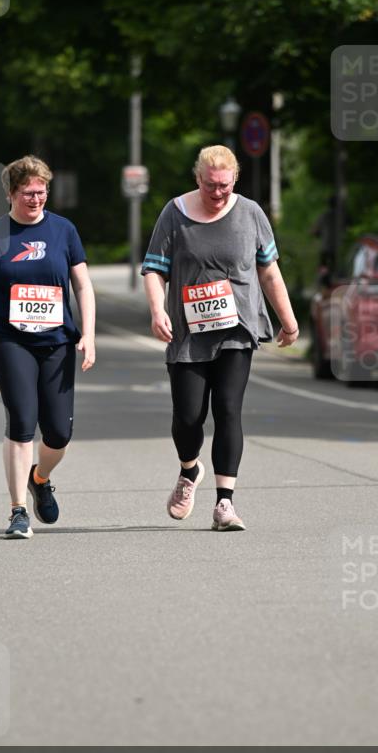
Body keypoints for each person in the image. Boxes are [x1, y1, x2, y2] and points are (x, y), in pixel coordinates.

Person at [142, 144, 299, 531]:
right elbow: (153, 270)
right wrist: (158, 309)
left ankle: (224, 503)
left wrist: (289, 320)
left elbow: (269, 272)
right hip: (188, 333)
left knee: (228, 409)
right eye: (210, 185)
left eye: (225, 186)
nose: (217, 193)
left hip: (237, 328)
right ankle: (189, 470)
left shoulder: (251, 214)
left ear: (235, 180)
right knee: (188, 417)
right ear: (198, 179)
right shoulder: (174, 214)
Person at [0, 155, 96, 538]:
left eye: (42, 191)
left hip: (57, 342)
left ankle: (41, 476)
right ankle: (18, 511)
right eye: (28, 192)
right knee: (21, 421)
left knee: (58, 433)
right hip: (9, 338)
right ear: (11, 193)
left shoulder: (64, 231)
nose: (36, 199)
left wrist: (89, 334)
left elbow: (82, 285)